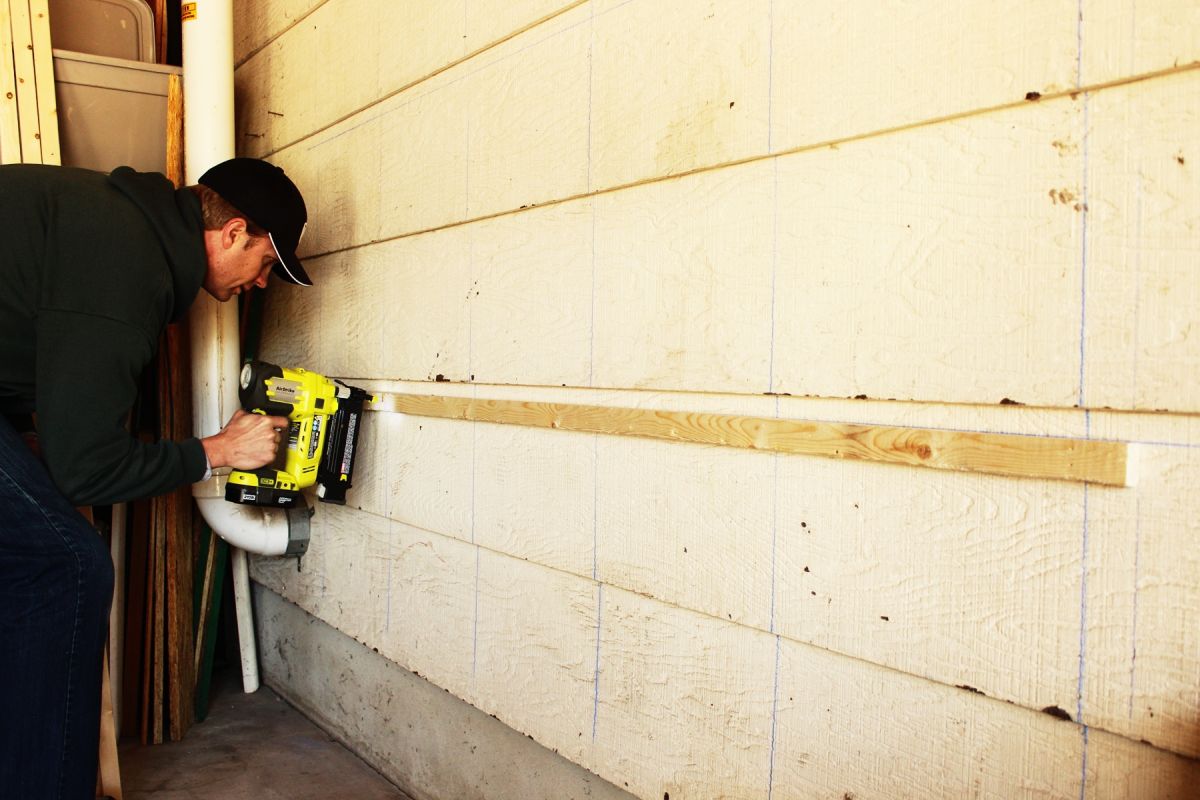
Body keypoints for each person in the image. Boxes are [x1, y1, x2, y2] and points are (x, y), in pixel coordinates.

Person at [0, 157, 311, 798]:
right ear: (232, 233)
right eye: (267, 264)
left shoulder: (117, 222)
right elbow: (86, 469)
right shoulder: (126, 265)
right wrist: (216, 451)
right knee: (66, 565)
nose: (262, 284)